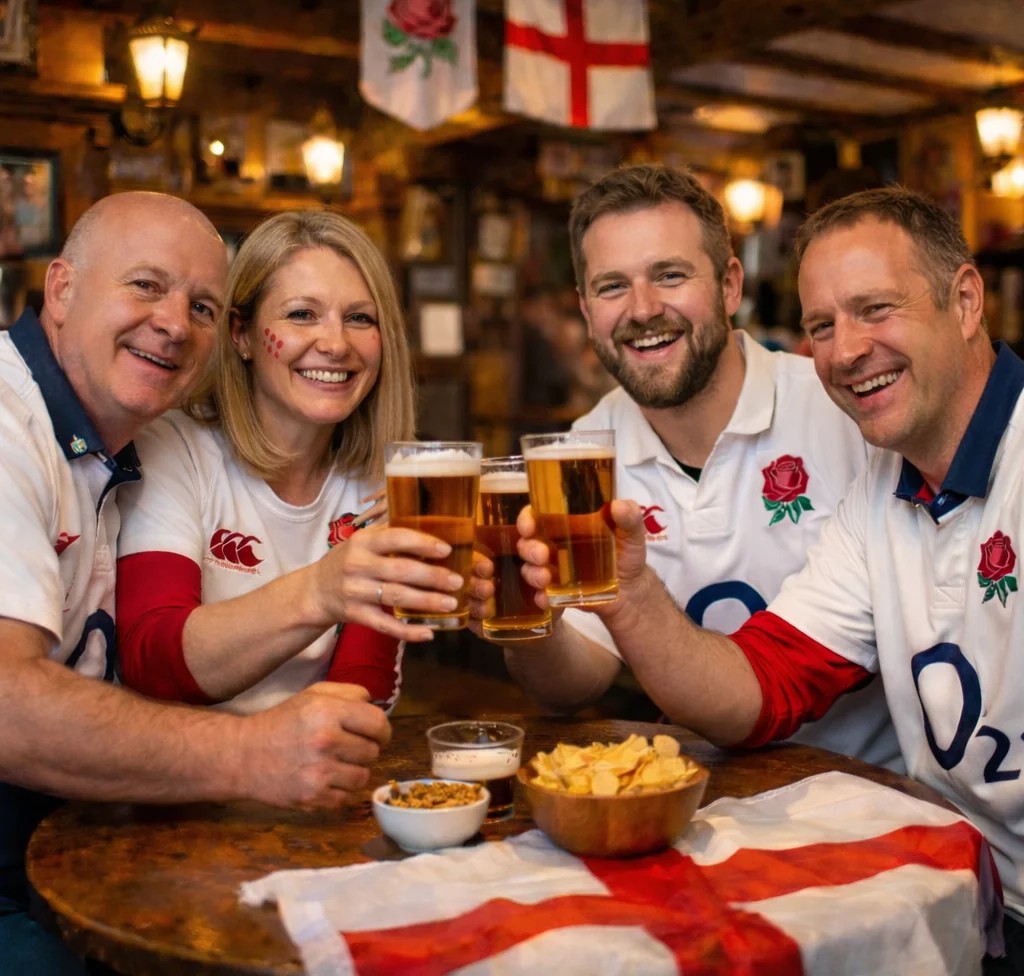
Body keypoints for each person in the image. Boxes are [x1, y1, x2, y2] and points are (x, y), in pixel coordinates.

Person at [510, 186, 1024, 971]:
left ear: (964, 301)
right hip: (945, 879)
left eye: (876, 308)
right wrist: (628, 594)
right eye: (823, 326)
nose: (847, 350)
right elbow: (764, 686)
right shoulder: (885, 490)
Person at [0, 193, 440, 973]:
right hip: (100, 837)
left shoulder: (103, 444)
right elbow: (143, 662)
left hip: (190, 817)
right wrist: (322, 597)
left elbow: (359, 699)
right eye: (145, 286)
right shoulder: (121, 437)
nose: (173, 322)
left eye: (199, 301)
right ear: (61, 289)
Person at [499, 164, 900, 770]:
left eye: (669, 275)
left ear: (730, 285)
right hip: (697, 802)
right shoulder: (581, 454)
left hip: (876, 796)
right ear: (585, 310)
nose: (642, 309)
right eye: (612, 287)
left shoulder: (843, 407)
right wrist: (522, 614)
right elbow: (572, 685)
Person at [115, 209, 454, 714]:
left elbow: (366, 681)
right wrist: (320, 590)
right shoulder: (173, 447)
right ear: (242, 334)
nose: (336, 344)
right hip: (178, 777)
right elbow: (152, 661)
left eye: (360, 318)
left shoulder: (387, 480)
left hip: (313, 768)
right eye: (302, 314)